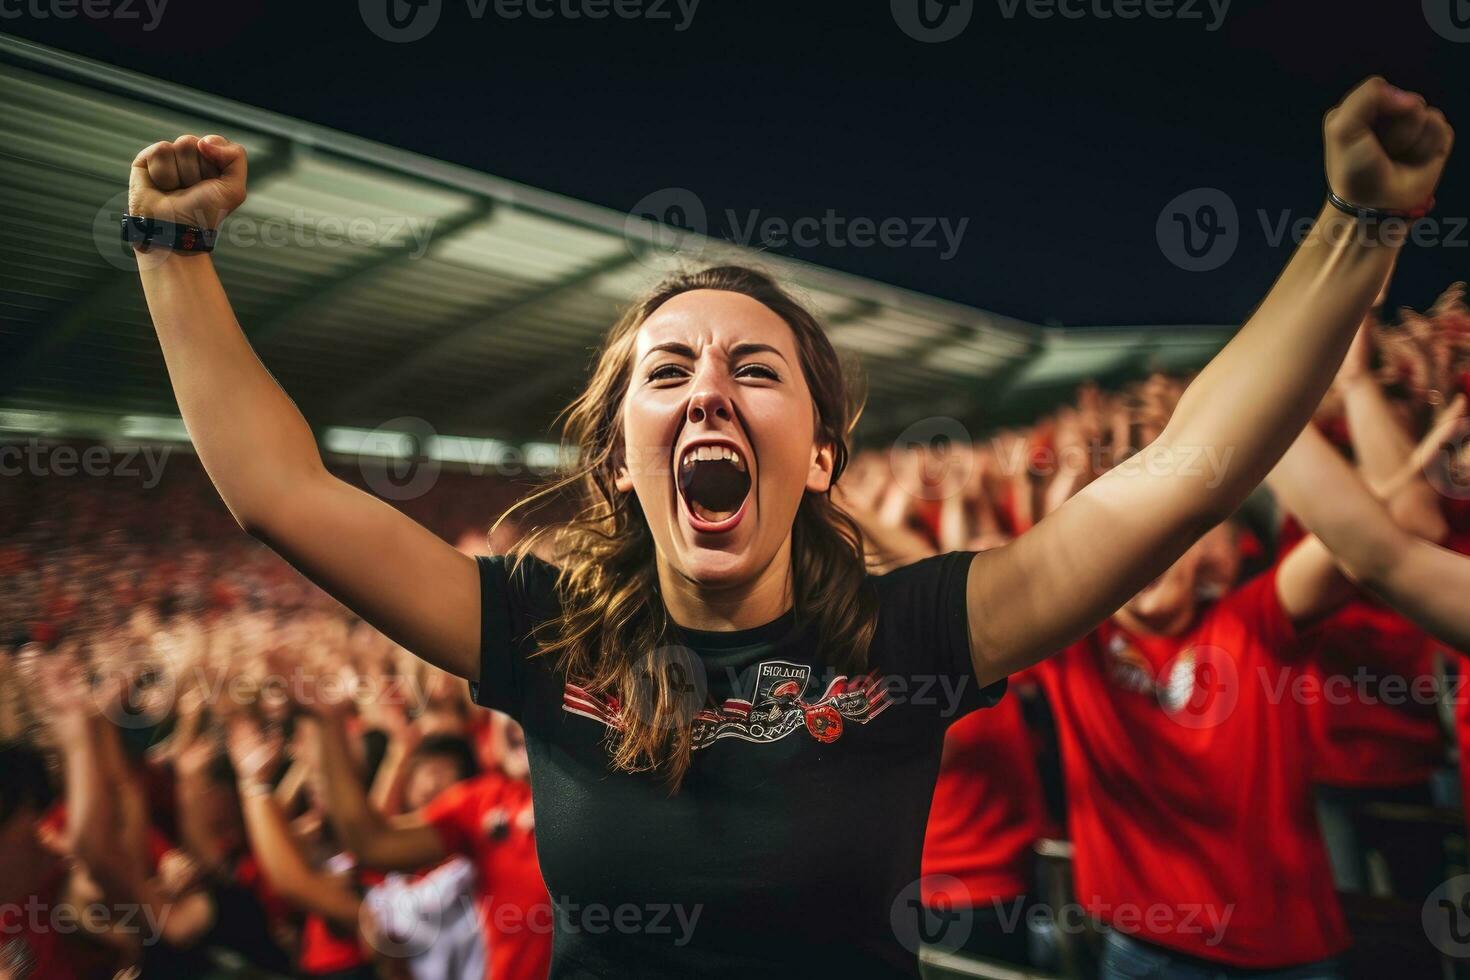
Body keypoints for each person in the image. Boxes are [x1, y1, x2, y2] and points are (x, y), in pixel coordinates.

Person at [123, 76, 1451, 975]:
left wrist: (1353, 222)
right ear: (615, 453)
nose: (707, 385)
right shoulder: (530, 627)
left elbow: (1188, 471)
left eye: (754, 370)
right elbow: (277, 494)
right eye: (669, 370)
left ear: (817, 458)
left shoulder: (918, 630)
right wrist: (169, 252)